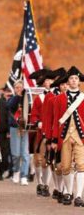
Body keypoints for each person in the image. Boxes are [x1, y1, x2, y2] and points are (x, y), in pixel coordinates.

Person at [51, 66, 84, 206]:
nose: (74, 81)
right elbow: (55, 119)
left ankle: (78, 196)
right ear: (68, 81)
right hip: (64, 137)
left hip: (80, 136)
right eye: (71, 78)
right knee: (65, 166)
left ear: (79, 82)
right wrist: (53, 139)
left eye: (76, 78)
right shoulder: (59, 99)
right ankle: (68, 193)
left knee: (81, 166)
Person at [29, 68, 58, 196]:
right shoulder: (38, 97)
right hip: (40, 132)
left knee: (49, 161)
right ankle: (40, 182)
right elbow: (33, 115)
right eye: (46, 80)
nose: (48, 82)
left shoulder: (57, 96)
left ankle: (46, 184)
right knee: (39, 160)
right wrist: (37, 122)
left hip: (54, 131)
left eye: (50, 80)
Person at [43, 69, 67, 203]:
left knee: (67, 164)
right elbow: (48, 118)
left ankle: (64, 189)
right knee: (55, 163)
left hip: (69, 135)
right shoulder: (51, 97)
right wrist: (47, 136)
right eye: (62, 83)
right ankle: (58, 187)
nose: (64, 86)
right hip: (54, 134)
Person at [8, 80, 30, 185]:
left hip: (25, 128)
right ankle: (16, 171)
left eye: (20, 87)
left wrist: (24, 96)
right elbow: (10, 106)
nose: (19, 89)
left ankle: (24, 176)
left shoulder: (26, 99)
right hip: (14, 128)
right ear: (14, 88)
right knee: (16, 154)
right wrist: (18, 96)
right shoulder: (12, 99)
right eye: (17, 87)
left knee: (25, 154)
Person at [0, 88, 10, 181]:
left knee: (2, 153)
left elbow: (8, 118)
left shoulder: (4, 104)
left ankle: (0, 172)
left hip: (3, 133)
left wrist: (8, 131)